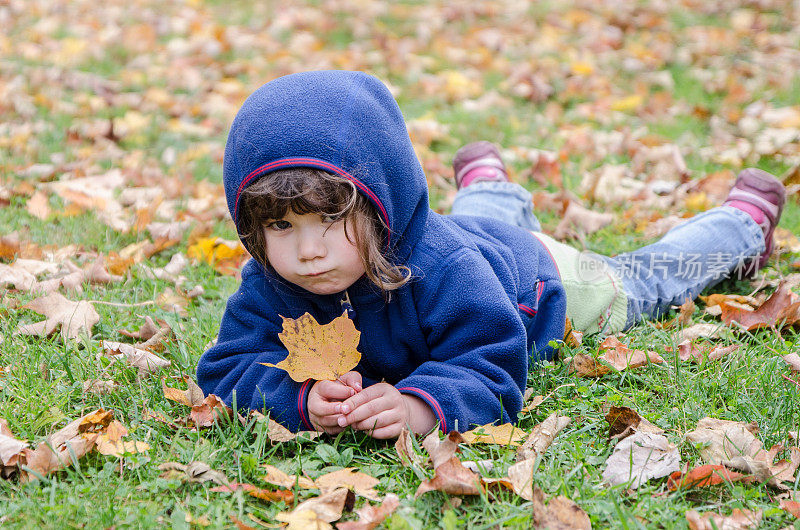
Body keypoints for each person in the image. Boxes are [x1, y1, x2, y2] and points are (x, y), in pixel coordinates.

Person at [197, 70, 786, 439]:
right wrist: (295, 400)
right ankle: (490, 186)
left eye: (330, 219)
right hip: (476, 235)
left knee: (646, 281)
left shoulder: (444, 270)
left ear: (384, 209)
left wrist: (420, 408)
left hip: (539, 280)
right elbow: (226, 367)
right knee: (477, 223)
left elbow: (493, 360)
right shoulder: (270, 284)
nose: (307, 251)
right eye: (279, 225)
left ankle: (739, 226)